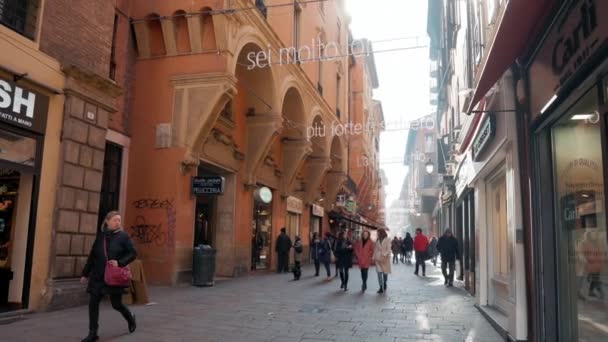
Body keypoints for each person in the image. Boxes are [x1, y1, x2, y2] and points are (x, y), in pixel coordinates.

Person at [80, 211, 137, 342]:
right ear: (107, 221)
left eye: (119, 220)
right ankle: (93, 333)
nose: (118, 222)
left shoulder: (124, 237)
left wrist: (120, 262)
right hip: (97, 276)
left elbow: (133, 253)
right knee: (93, 303)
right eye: (115, 220)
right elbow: (92, 256)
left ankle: (130, 317)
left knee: (116, 305)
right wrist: (85, 273)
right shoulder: (100, 236)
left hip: (113, 277)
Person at [373, 228, 392, 293]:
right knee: (379, 273)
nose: (377, 233)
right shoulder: (377, 240)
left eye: (378, 232)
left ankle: (385, 283)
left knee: (385, 273)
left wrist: (384, 254)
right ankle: (380, 287)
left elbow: (389, 249)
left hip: (385, 258)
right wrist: (374, 257)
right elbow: (375, 249)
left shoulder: (387, 239)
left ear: (381, 232)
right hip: (378, 258)